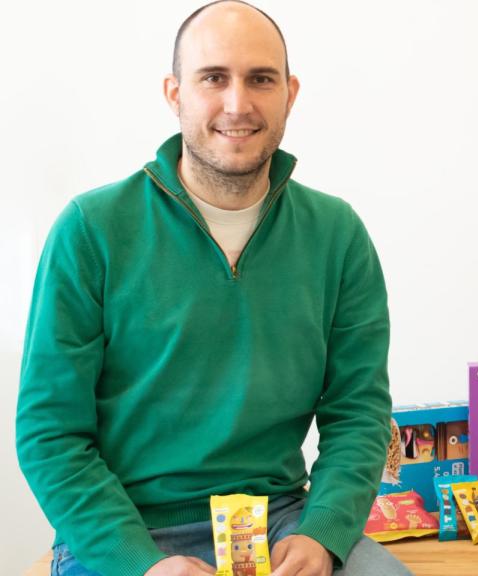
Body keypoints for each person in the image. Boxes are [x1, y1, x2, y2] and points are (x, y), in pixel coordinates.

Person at [15, 2, 411, 575]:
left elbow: (358, 412)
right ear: (175, 93)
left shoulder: (337, 234)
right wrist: (142, 564)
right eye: (213, 77)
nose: (238, 103)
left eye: (260, 79)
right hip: (126, 527)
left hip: (279, 518)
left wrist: (324, 532)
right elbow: (50, 433)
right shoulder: (90, 229)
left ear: (290, 93)